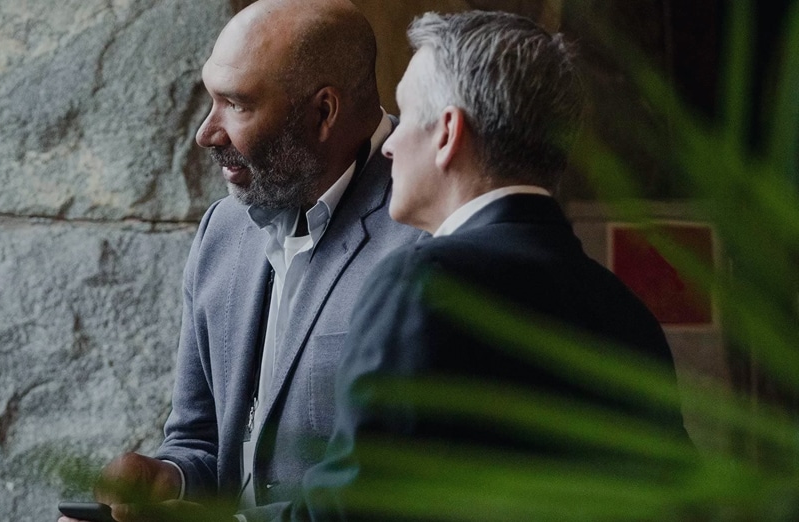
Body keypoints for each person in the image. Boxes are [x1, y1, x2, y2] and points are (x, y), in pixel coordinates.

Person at [114, 10, 690, 522]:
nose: (387, 144)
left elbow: (358, 504)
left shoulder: (422, 279)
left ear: (447, 134)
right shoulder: (626, 312)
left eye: (406, 115)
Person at [65, 1, 422, 521]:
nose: (206, 133)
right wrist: (168, 477)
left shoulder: (429, 240)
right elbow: (200, 437)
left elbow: (401, 492)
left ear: (324, 112)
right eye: (211, 100)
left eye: (235, 104)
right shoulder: (222, 229)